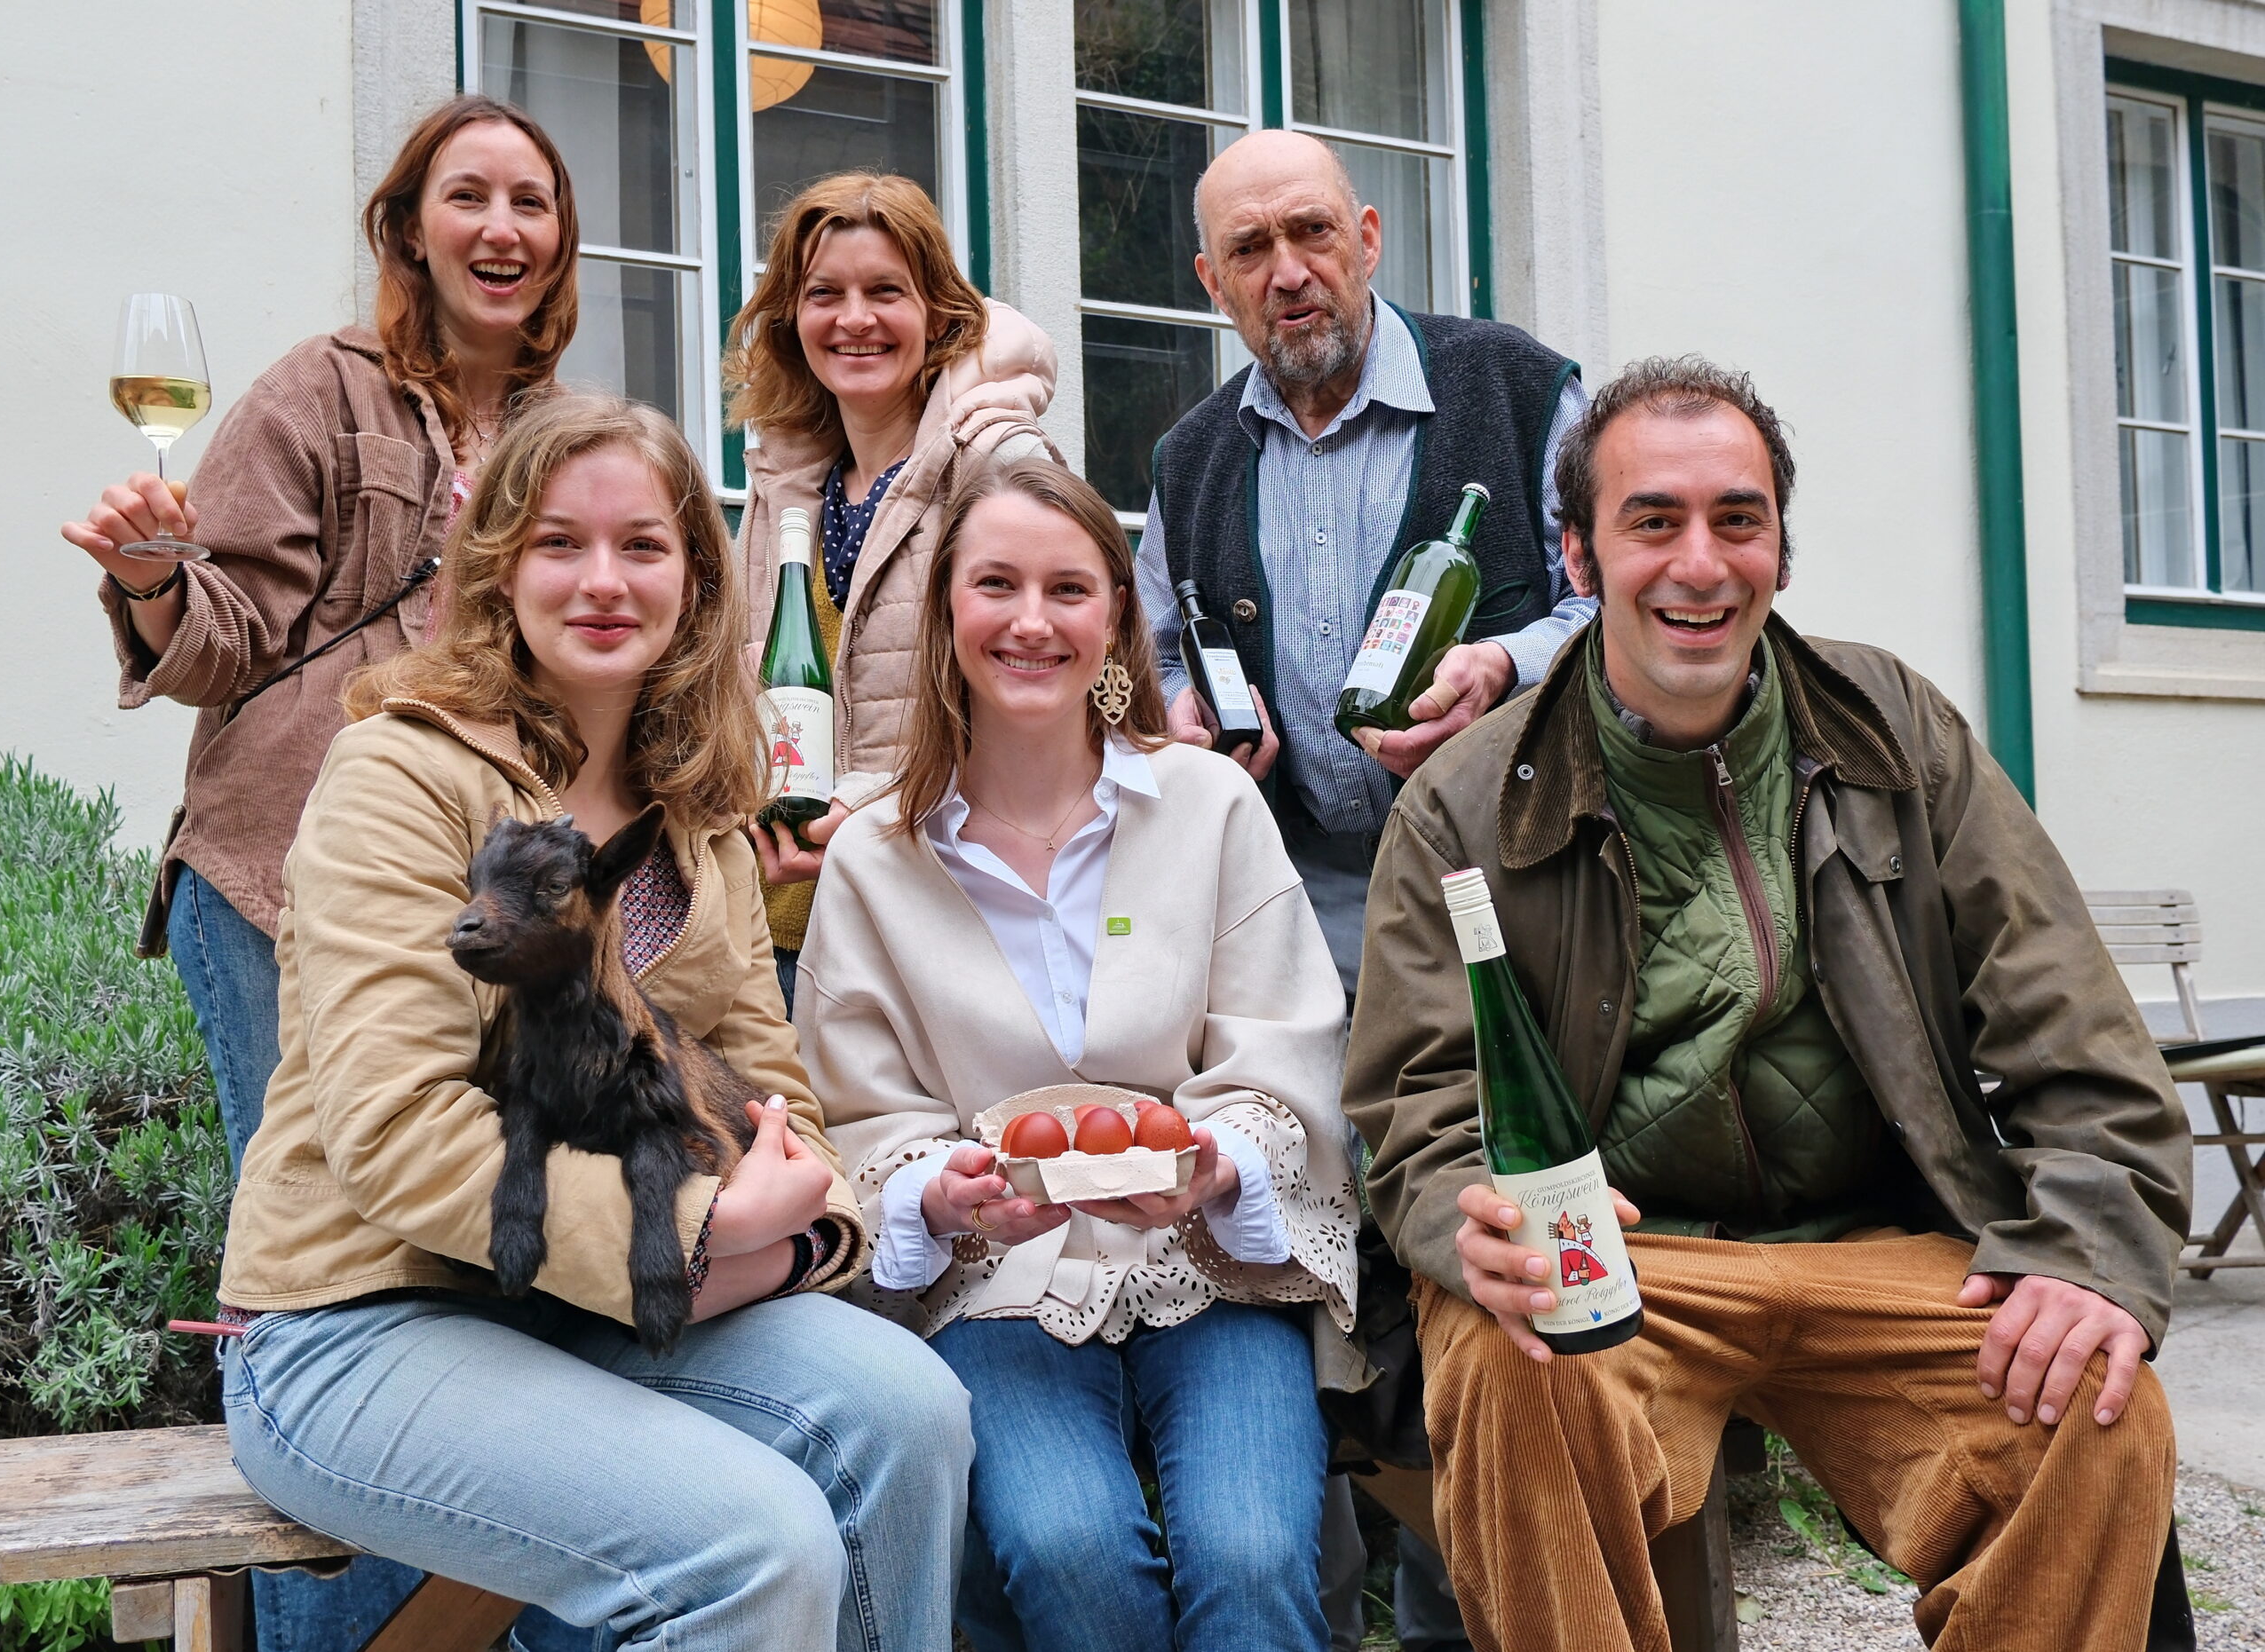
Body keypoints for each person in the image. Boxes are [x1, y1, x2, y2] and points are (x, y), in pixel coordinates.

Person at [1342, 356, 2191, 1652]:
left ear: (1781, 551)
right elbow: (1419, 1101)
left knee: (2093, 1395)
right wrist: (1483, 1236)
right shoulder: (1465, 799)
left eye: (1739, 520)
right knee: (1515, 1368)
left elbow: (2074, 1026)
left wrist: (2084, 1251)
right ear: (1578, 557)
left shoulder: (1896, 731)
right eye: (1653, 521)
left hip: (1884, 1244)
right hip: (1624, 1256)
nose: (1701, 562)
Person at [216, 394, 971, 1652]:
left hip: (591, 1306)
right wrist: (696, 1224)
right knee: (755, 1544)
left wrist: (796, 1227)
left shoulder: (697, 810)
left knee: (911, 1411)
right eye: (560, 542)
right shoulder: (401, 774)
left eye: (643, 545)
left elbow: (774, 1089)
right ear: (499, 565)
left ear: (695, 575)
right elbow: (396, 1128)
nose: (603, 580)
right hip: (360, 1322)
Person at [57, 91, 581, 1652]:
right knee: (336, 1289)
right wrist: (156, 574)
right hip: (282, 893)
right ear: (409, 228)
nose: (501, 227)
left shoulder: (560, 430)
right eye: (468, 197)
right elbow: (217, 633)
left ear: (560, 244)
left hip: (471, 918)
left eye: (532, 203)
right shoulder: (324, 391)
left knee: (475, 1284)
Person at [1132, 127, 1592, 1648]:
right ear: (1211, 281)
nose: (1290, 271)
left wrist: (1507, 662)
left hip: (1509, 896)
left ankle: (1474, 1595)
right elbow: (1157, 683)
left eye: (1312, 232)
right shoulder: (1186, 460)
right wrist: (1186, 726)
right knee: (1315, 1237)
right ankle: (1329, 1588)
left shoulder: (1520, 388)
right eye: (1250, 251)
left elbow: (1622, 601)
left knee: (1479, 1206)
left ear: (1372, 233)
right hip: (1297, 904)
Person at [797, 458, 1358, 1652]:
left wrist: (1213, 1164)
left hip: (1208, 1262)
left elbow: (1284, 1045)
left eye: (1068, 588)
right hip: (997, 1284)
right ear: (947, 612)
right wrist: (936, 1195)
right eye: (996, 584)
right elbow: (858, 1111)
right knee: (1066, 1548)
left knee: (1254, 1557)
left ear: (1114, 613)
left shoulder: (1208, 805)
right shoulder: (874, 859)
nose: (1032, 621)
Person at [725, 172, 1061, 1008]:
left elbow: (1052, 694)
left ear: (938, 312)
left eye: (886, 291)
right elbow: (730, 686)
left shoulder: (998, 460)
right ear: (791, 317)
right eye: (823, 294)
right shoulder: (781, 485)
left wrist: (875, 803)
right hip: (779, 930)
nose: (854, 319)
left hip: (946, 919)